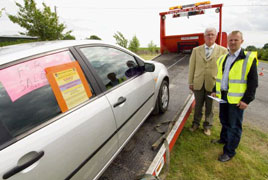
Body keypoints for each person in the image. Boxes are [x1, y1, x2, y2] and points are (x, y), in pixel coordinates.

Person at [211, 30, 258, 162]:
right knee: (224, 120)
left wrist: (246, 100)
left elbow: (253, 82)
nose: (232, 42)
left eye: (236, 40)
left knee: (234, 126)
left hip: (237, 100)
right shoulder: (223, 58)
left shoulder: (248, 58)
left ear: (241, 41)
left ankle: (229, 152)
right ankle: (224, 139)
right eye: (230, 40)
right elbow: (219, 77)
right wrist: (215, 89)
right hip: (223, 96)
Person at [188, 27, 228, 136]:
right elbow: (192, 67)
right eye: (208, 34)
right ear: (204, 36)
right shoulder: (196, 50)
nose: (210, 36)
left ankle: (207, 126)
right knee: (198, 106)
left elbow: (224, 70)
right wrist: (190, 82)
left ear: (216, 36)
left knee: (210, 107)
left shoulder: (223, 50)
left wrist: (221, 86)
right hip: (198, 83)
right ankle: (195, 124)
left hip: (213, 84)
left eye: (212, 34)